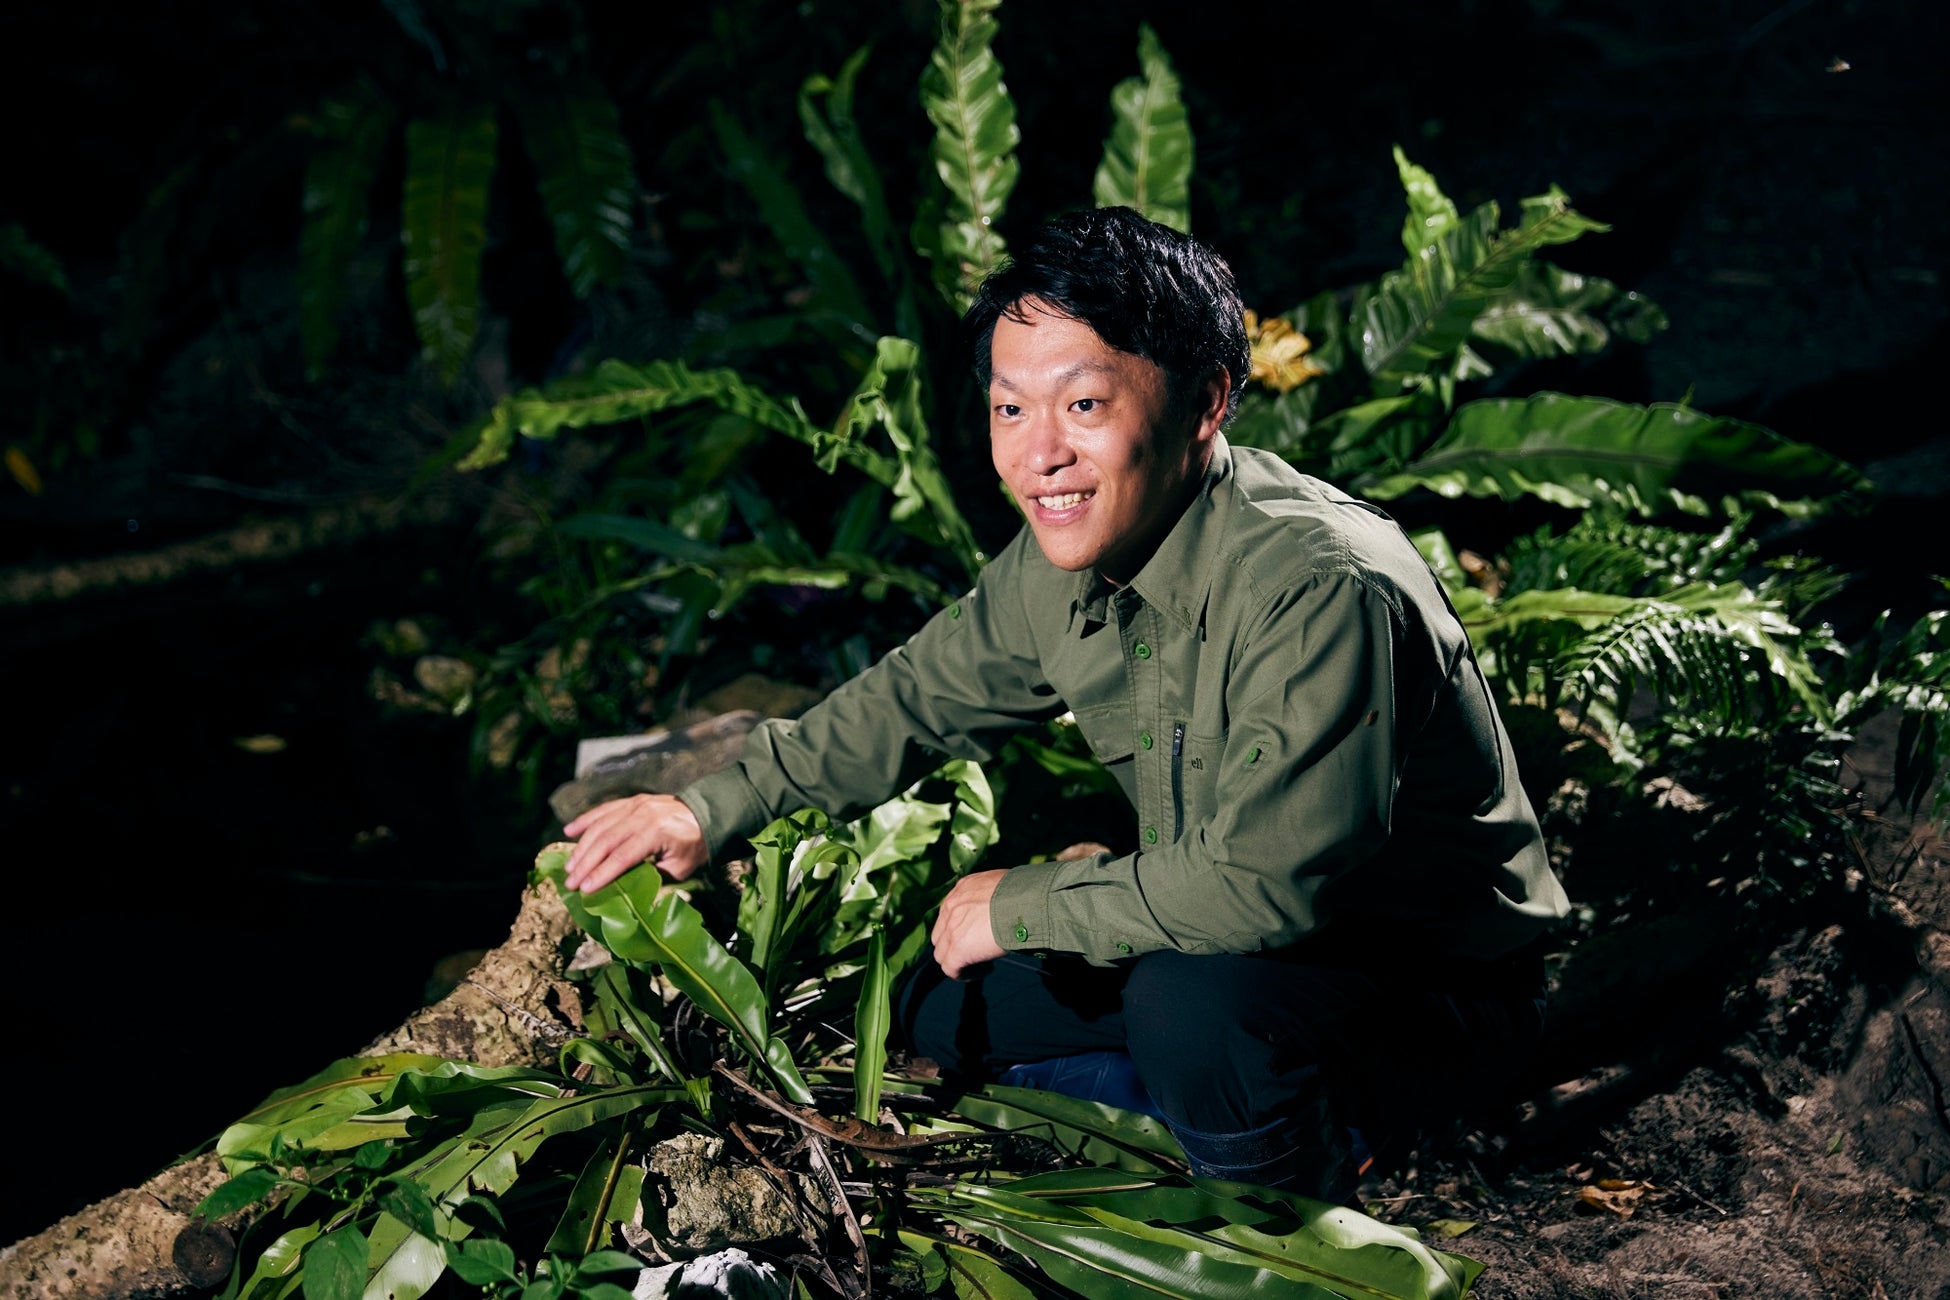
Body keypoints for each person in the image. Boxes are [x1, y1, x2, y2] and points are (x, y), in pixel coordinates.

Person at [559, 205, 1571, 1201]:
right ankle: (1213, 1124)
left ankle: (1286, 1224)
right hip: (1241, 938)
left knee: (1185, 1006)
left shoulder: (1318, 585)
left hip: (1430, 978)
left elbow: (1266, 889)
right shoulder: (1076, 547)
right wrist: (704, 808)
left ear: (1205, 401)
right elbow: (914, 697)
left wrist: (1026, 904)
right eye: (1011, 409)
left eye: (1084, 405)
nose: (1038, 453)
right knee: (941, 1004)